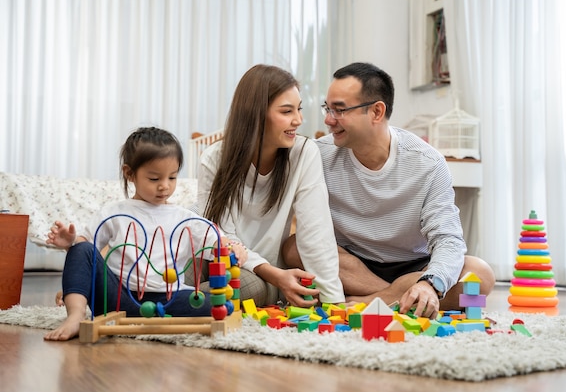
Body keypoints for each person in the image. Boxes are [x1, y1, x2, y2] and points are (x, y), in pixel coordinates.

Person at [282, 62, 495, 318]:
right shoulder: (317, 154)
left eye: (339, 110)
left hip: (414, 266)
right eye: (328, 109)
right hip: (349, 263)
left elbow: (448, 239)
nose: (328, 120)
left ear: (376, 112)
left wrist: (429, 284)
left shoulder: (427, 163)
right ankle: (398, 297)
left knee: (481, 274)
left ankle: (377, 299)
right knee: (293, 248)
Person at [45, 127, 247, 341]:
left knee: (213, 305)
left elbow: (217, 242)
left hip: (168, 298)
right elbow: (86, 250)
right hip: (118, 297)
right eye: (154, 179)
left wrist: (232, 247)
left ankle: (152, 315)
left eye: (172, 177)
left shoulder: (185, 218)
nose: (164, 186)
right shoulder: (114, 212)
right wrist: (70, 243)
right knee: (81, 249)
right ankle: (75, 316)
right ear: (129, 173)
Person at [194, 64, 345, 308]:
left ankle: (174, 302)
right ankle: (170, 299)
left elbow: (316, 233)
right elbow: (221, 237)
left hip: (259, 276)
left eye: (299, 109)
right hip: (218, 258)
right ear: (255, 114)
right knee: (181, 272)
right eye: (287, 111)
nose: (298, 120)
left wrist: (333, 303)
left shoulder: (304, 153)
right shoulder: (214, 158)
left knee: (237, 289)